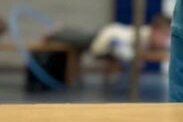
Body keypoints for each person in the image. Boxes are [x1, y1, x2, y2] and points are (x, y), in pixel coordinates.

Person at [24, 14, 171, 90]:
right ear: (154, 30)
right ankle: (57, 32)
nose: (165, 39)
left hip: (110, 37)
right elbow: (117, 44)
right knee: (83, 40)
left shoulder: (148, 37)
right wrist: (133, 57)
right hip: (108, 37)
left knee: (85, 38)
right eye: (164, 34)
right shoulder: (140, 35)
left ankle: (60, 31)